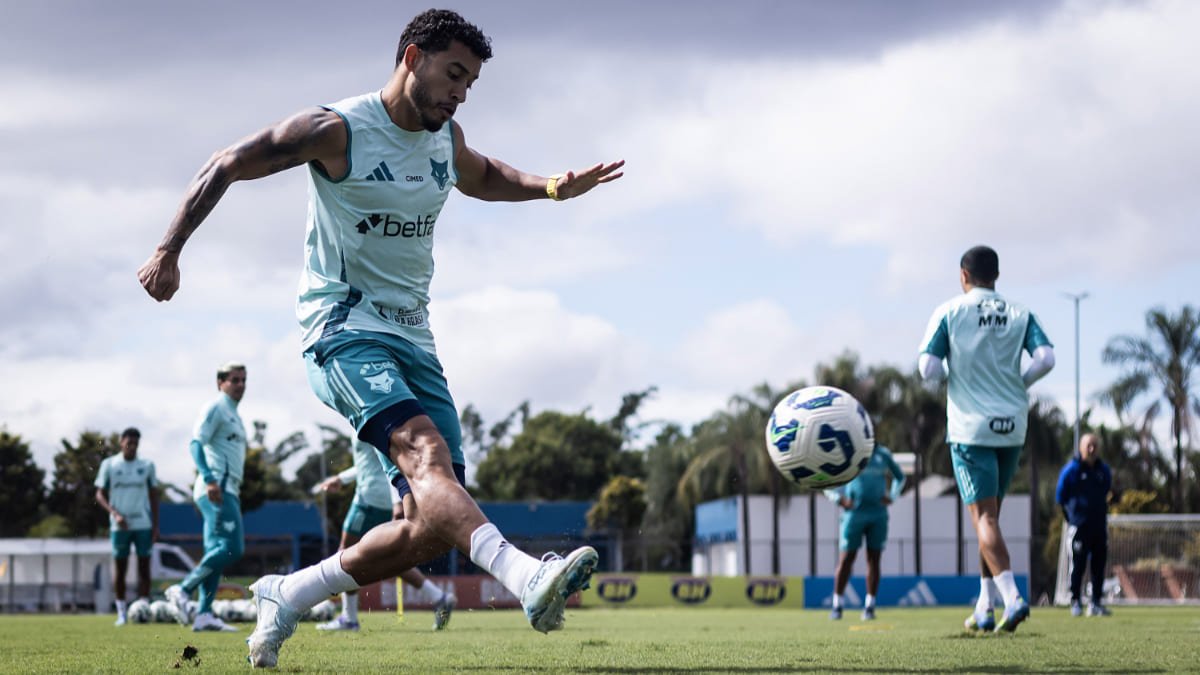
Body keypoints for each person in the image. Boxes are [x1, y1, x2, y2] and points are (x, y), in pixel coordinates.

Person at [137, 9, 622, 667]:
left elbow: (484, 174)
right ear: (413, 57)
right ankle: (525, 575)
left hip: (415, 339)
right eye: (454, 74)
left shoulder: (444, 140)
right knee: (426, 455)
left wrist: (554, 186)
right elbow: (227, 162)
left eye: (471, 83)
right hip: (341, 327)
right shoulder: (337, 131)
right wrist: (169, 250)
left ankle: (290, 592)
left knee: (429, 523)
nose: (460, 92)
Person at [918, 245, 1055, 634]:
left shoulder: (949, 311)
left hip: (970, 427)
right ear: (997, 275)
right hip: (1011, 425)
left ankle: (1012, 597)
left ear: (963, 275)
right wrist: (1018, 383)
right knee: (988, 518)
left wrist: (954, 379)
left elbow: (927, 367)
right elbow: (1046, 358)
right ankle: (984, 606)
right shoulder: (1020, 312)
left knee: (984, 518)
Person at [312, 439, 456, 631]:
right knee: (390, 557)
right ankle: (439, 597)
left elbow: (390, 459)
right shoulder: (359, 420)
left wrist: (397, 501)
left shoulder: (368, 416)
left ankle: (350, 618)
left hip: (369, 500)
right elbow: (368, 465)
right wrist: (342, 479)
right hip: (376, 498)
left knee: (345, 555)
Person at [163, 362, 249, 632]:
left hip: (228, 488)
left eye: (243, 380)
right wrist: (211, 479)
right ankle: (182, 589)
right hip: (216, 488)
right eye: (234, 380)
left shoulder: (235, 415)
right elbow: (196, 443)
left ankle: (203, 614)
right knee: (233, 547)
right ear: (220, 383)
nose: (240, 385)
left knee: (215, 552)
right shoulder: (216, 408)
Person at [825, 443, 905, 621]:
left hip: (878, 514)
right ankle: (837, 604)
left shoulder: (883, 454)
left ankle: (869, 606)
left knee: (874, 559)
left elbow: (900, 477)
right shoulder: (848, 453)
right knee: (846, 559)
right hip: (854, 514)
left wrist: (892, 496)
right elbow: (826, 480)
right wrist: (838, 498)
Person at [94, 427, 159, 626]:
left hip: (142, 523)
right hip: (119, 525)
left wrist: (155, 525)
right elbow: (99, 494)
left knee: (144, 567)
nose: (131, 447)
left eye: (135, 444)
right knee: (120, 568)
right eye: (128, 443)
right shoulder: (109, 465)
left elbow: (154, 495)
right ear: (121, 442)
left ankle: (144, 608)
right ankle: (121, 612)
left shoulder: (147, 465)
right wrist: (115, 514)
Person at [1055, 432, 1113, 617]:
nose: (1091, 449)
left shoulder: (1103, 471)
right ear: (1081, 447)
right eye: (1088, 445)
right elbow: (1060, 497)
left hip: (1099, 527)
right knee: (1078, 566)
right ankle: (1075, 602)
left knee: (1098, 566)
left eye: (1095, 445)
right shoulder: (1071, 470)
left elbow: (1106, 492)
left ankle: (1095, 603)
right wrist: (1072, 519)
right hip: (1079, 527)